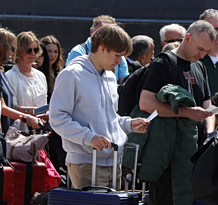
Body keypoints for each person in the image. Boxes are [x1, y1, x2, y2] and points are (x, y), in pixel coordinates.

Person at [138, 20, 215, 205]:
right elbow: (146, 103)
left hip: (190, 155)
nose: (202, 55)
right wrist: (186, 113)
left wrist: (209, 131)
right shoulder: (164, 63)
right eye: (200, 49)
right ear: (187, 38)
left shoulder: (199, 67)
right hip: (166, 159)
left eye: (206, 51)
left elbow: (207, 107)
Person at [49, 24, 149, 189]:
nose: (120, 62)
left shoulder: (110, 77)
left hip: (114, 162)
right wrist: (89, 138)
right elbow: (57, 118)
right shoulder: (71, 74)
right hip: (86, 163)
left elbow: (110, 117)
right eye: (117, 55)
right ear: (102, 48)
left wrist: (129, 124)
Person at [65, 15, 130, 83]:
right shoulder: (77, 55)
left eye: (111, 35)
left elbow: (124, 83)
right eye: (101, 33)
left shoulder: (111, 76)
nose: (106, 38)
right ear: (91, 31)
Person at [6, 31, 48, 120]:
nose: (33, 53)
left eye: (36, 50)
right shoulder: (10, 77)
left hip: (41, 125)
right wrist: (31, 111)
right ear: (19, 51)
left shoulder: (41, 76)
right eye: (28, 50)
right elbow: (11, 107)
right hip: (21, 126)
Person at [39, 35, 65, 100]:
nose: (52, 55)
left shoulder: (60, 72)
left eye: (55, 52)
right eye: (49, 51)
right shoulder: (38, 73)